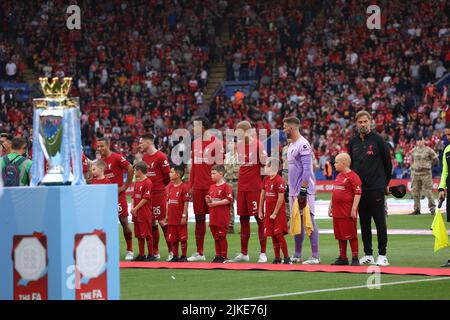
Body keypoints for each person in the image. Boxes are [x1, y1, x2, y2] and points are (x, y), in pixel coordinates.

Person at [348, 111, 392, 266]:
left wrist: (385, 184)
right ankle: (368, 254)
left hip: (376, 188)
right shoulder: (352, 142)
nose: (363, 124)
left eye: (365, 121)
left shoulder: (378, 140)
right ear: (356, 123)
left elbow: (388, 163)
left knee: (380, 222)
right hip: (360, 190)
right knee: (364, 223)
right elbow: (351, 166)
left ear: (370, 122)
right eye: (360, 122)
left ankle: (382, 254)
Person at [283, 117, 320, 264]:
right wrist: (288, 187)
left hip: (303, 190)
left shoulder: (303, 144)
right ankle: (297, 254)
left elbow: (306, 169)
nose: (284, 130)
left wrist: (303, 189)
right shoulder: (292, 145)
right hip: (294, 190)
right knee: (296, 221)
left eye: (285, 127)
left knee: (308, 220)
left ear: (291, 128)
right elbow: (291, 169)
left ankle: (315, 256)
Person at [230, 120, 268, 263]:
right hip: (242, 188)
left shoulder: (258, 145)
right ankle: (244, 253)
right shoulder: (238, 146)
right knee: (243, 219)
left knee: (259, 219)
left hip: (254, 188)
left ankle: (263, 252)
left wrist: (263, 185)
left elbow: (266, 165)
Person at [188, 117, 223, 262]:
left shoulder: (217, 143)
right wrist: (191, 185)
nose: (193, 129)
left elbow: (221, 167)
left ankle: (219, 253)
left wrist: (218, 186)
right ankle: (199, 252)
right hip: (198, 187)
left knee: (216, 220)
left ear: (203, 128)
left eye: (195, 127)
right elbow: (194, 167)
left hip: (212, 187)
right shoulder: (195, 143)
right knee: (199, 219)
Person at [97, 137, 135, 261]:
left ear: (108, 145)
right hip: (104, 198)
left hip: (118, 195)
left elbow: (130, 168)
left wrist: (125, 186)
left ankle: (130, 250)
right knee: (105, 225)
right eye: (98, 146)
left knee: (124, 222)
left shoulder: (117, 157)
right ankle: (109, 251)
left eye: (102, 146)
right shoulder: (100, 161)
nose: (100, 148)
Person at [139, 133, 171, 261]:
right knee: (151, 222)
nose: (140, 145)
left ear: (149, 142)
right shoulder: (145, 157)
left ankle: (172, 251)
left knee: (162, 221)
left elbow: (167, 177)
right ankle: (155, 252)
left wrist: (159, 188)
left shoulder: (161, 156)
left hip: (158, 194)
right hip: (148, 196)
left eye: (141, 143)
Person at [328, 153, 362, 266]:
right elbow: (334, 193)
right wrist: (330, 206)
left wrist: (354, 209)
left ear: (343, 163)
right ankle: (343, 258)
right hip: (337, 212)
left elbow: (358, 193)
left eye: (336, 162)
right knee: (340, 235)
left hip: (347, 212)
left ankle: (355, 257)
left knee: (351, 235)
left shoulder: (353, 177)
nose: (334, 164)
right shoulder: (338, 176)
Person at [258, 157, 291, 264]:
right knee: (272, 234)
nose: (264, 167)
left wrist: (275, 212)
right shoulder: (266, 179)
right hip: (268, 212)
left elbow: (281, 198)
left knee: (279, 234)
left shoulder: (279, 180)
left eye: (267, 165)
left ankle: (286, 257)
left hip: (278, 213)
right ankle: (277, 258)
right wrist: (260, 211)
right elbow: (262, 195)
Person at [206, 165, 233, 263]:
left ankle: (224, 256)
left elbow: (229, 199)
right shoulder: (212, 187)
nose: (211, 175)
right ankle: (217, 255)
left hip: (222, 217)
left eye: (214, 173)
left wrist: (215, 203)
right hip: (213, 217)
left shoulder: (226, 186)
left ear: (221, 174)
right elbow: (209, 201)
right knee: (216, 237)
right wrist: (208, 200)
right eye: (211, 173)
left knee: (221, 236)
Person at [131, 162, 156, 262]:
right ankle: (142, 254)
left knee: (147, 234)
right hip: (136, 212)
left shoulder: (148, 182)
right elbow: (133, 196)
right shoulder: (137, 182)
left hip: (144, 212)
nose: (134, 172)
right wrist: (133, 208)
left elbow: (146, 198)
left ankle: (151, 254)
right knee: (139, 235)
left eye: (135, 170)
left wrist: (136, 208)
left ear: (139, 171)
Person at [166, 165, 191, 262]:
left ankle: (184, 256)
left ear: (178, 174)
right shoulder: (170, 187)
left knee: (183, 238)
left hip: (180, 217)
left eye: (171, 172)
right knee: (173, 239)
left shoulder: (184, 187)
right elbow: (168, 202)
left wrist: (184, 216)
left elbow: (186, 202)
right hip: (172, 217)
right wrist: (167, 215)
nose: (170, 174)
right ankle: (175, 256)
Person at [409, 137, 438, 215]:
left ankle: (432, 208)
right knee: (415, 192)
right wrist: (413, 166)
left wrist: (429, 165)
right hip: (416, 174)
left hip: (426, 173)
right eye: (418, 140)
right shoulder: (413, 150)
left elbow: (435, 159)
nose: (419, 142)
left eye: (420, 140)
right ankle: (417, 209)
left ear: (423, 141)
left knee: (428, 191)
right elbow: (410, 159)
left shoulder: (428, 150)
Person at [438, 123, 450, 267]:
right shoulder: (447, 150)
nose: (448, 137)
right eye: (446, 135)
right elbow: (445, 171)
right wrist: (441, 187)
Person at [224, 141, 239, 233]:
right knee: (229, 204)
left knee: (241, 204)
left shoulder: (241, 155)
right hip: (228, 181)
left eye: (232, 143)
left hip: (238, 182)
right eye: (229, 143)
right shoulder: (226, 156)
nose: (230, 145)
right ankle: (230, 225)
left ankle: (244, 225)